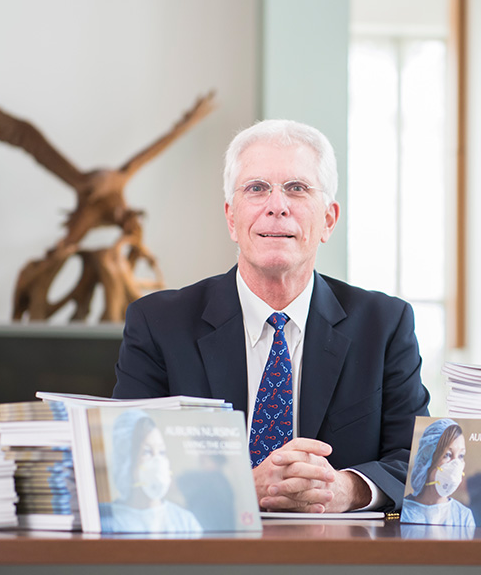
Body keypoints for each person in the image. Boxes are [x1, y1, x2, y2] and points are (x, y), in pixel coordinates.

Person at [113, 119, 431, 513]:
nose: (276, 206)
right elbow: (125, 466)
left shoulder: (384, 324)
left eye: (296, 188)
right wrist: (242, 487)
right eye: (256, 188)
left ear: (328, 220)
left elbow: (417, 461)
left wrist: (345, 489)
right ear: (232, 218)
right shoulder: (158, 323)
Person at [101, 409, 203, 534]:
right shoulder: (106, 521)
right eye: (147, 452)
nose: (158, 461)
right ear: (126, 459)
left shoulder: (185, 522)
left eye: (161, 452)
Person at [401, 419, 476, 529]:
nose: (456, 464)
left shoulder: (463, 516)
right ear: (428, 458)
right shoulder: (405, 513)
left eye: (461, 456)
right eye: (448, 455)